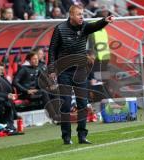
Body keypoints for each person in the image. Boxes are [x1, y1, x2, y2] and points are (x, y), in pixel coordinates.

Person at [48, 4, 114, 145]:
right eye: (79, 14)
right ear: (71, 15)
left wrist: (104, 21)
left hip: (80, 71)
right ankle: (66, 137)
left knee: (83, 104)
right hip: (64, 71)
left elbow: (95, 26)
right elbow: (52, 50)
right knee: (66, 104)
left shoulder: (84, 26)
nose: (81, 17)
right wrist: (51, 70)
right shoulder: (60, 29)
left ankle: (82, 136)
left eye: (82, 14)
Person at [0, 62, 19, 131]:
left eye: (1, 69)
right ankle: (3, 125)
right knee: (5, 102)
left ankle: (9, 125)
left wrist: (7, 96)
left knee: (7, 102)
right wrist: (6, 96)